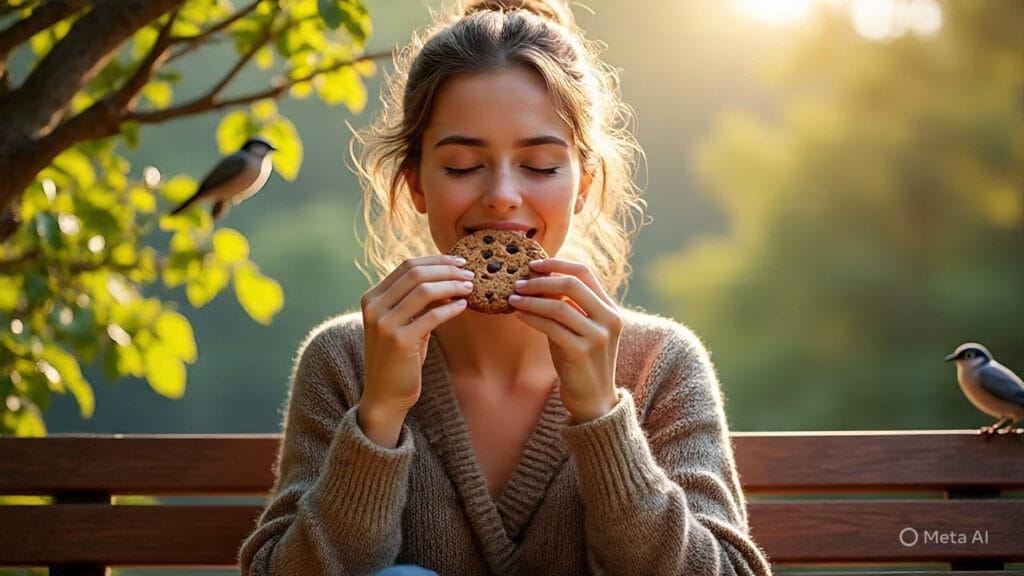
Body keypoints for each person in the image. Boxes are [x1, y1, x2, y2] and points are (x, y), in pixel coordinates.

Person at [239, 0, 771, 574]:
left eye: (541, 166)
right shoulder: (347, 361)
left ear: (583, 185)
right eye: (464, 165)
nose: (501, 195)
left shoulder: (658, 367)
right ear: (416, 183)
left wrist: (601, 418)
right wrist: (379, 417)